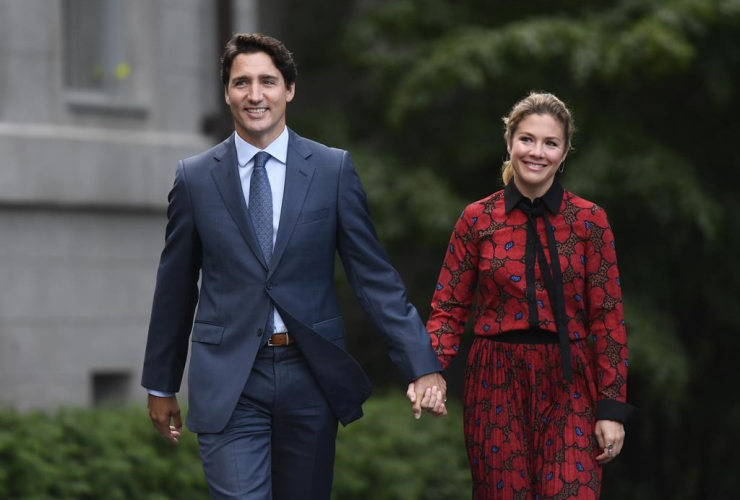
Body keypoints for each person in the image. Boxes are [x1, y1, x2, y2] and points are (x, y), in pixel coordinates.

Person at [141, 33, 446, 500]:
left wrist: (421, 364)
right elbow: (176, 287)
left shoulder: (332, 170)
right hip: (229, 379)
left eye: (268, 81)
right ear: (227, 93)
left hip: (310, 374)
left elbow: (374, 278)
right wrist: (161, 383)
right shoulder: (195, 178)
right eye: (242, 83)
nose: (255, 95)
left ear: (290, 89)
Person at [423, 92, 636, 499]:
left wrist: (612, 408)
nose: (536, 152)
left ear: (564, 152)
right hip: (495, 379)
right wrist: (428, 368)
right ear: (509, 143)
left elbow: (608, 317)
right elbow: (449, 307)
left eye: (550, 143)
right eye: (527, 139)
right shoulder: (477, 218)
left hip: (571, 380)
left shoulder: (589, 220)